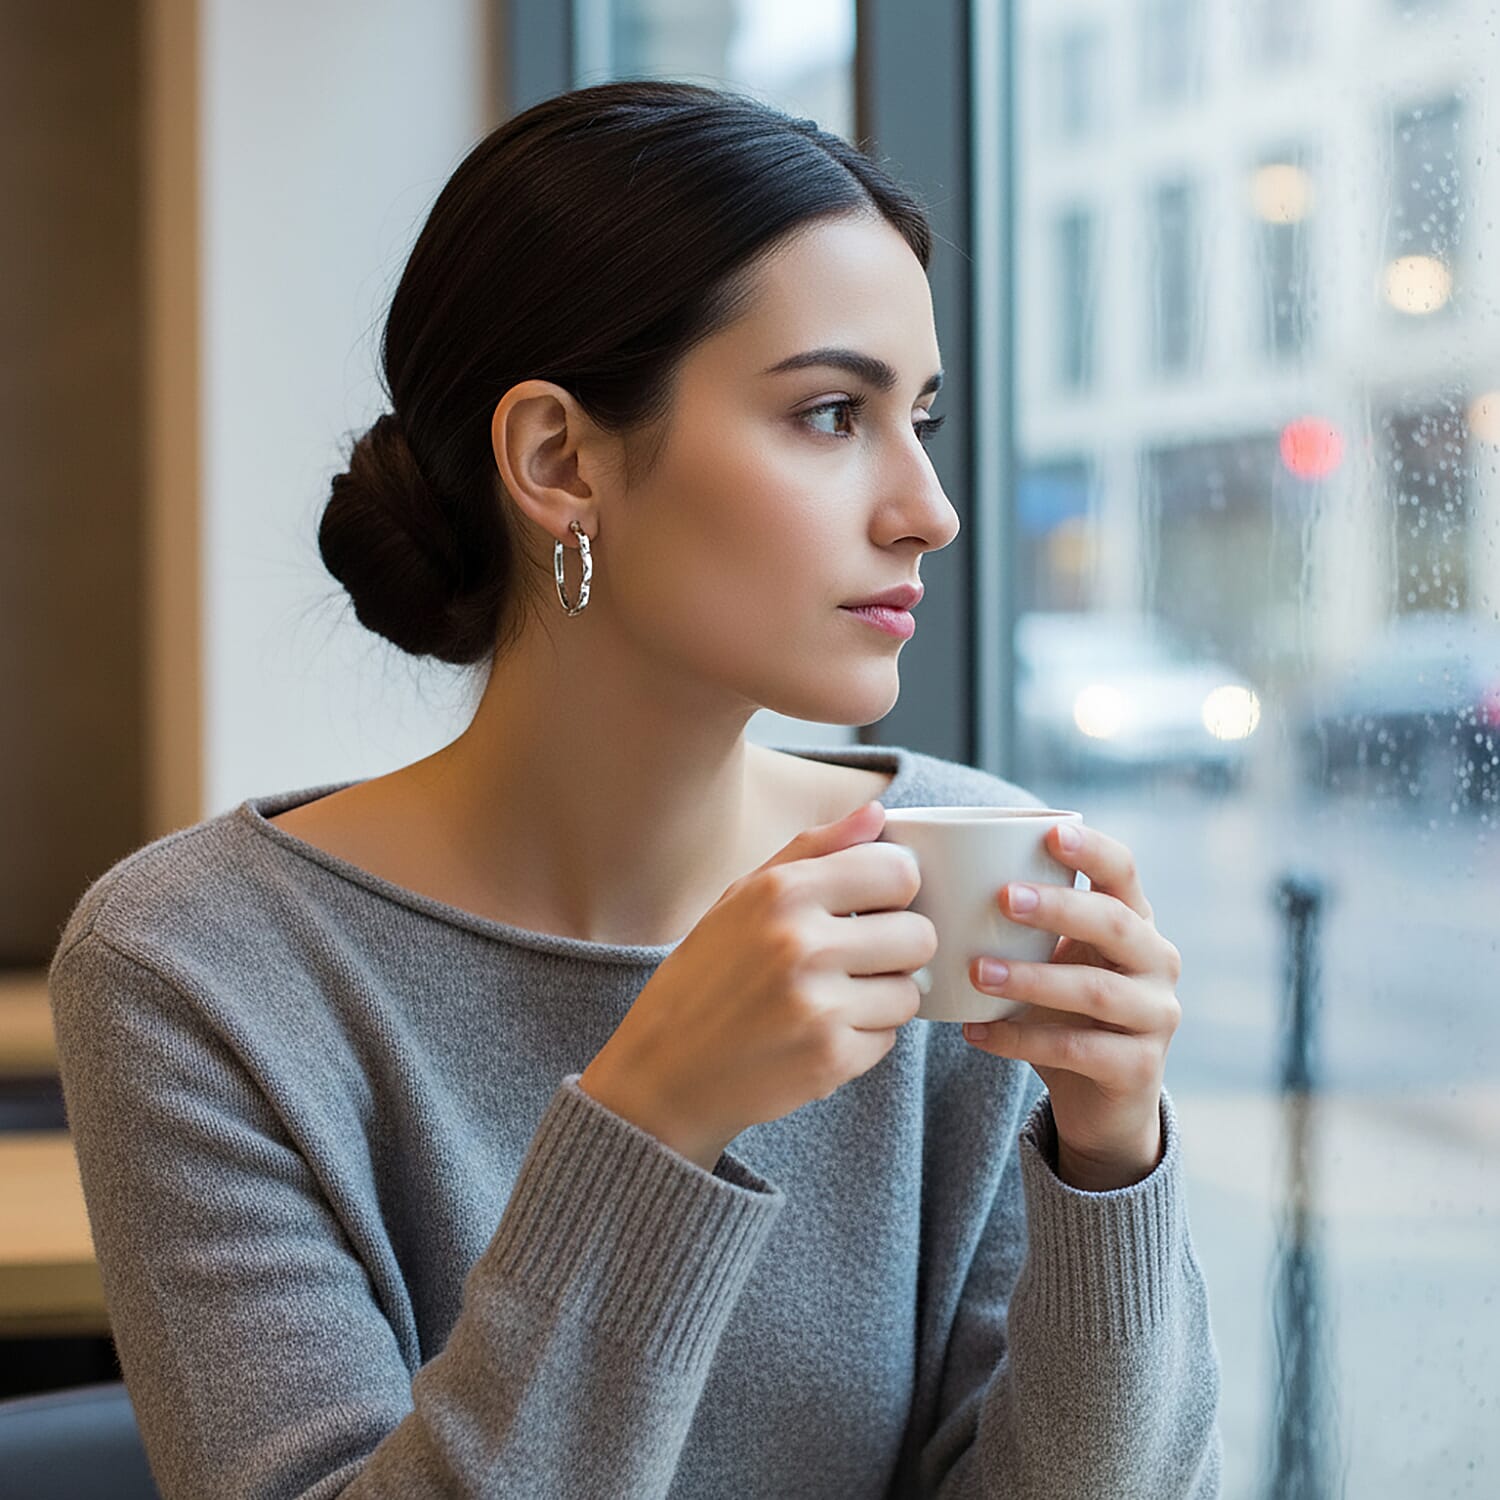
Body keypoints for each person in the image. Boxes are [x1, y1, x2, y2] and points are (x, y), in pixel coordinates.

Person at [48, 79, 1222, 1498]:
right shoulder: (197, 966)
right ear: (558, 459)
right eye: (833, 413)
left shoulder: (947, 873)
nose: (931, 507)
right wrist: (656, 1115)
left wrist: (1111, 1165)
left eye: (922, 415)